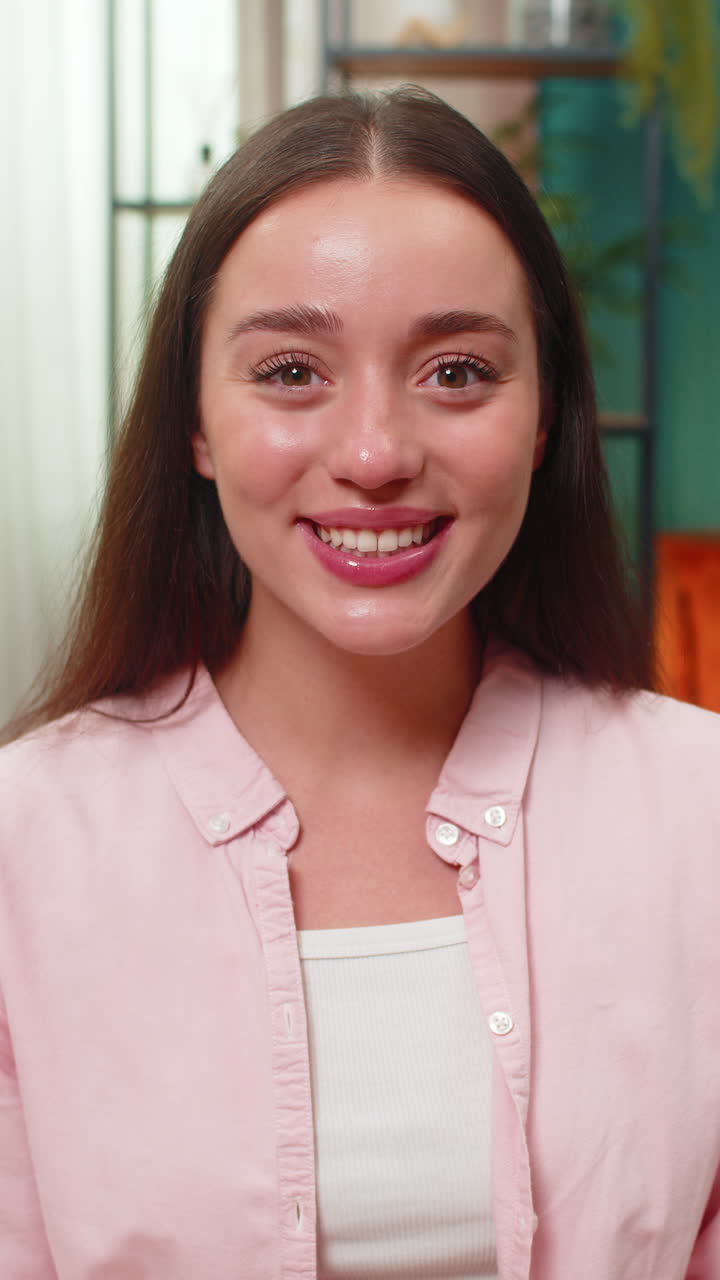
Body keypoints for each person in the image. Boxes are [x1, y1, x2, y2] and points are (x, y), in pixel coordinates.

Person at [0, 86, 718, 1280]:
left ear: (545, 416)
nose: (377, 453)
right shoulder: (22, 843)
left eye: (456, 370)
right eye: (290, 369)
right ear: (195, 421)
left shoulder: (698, 811)